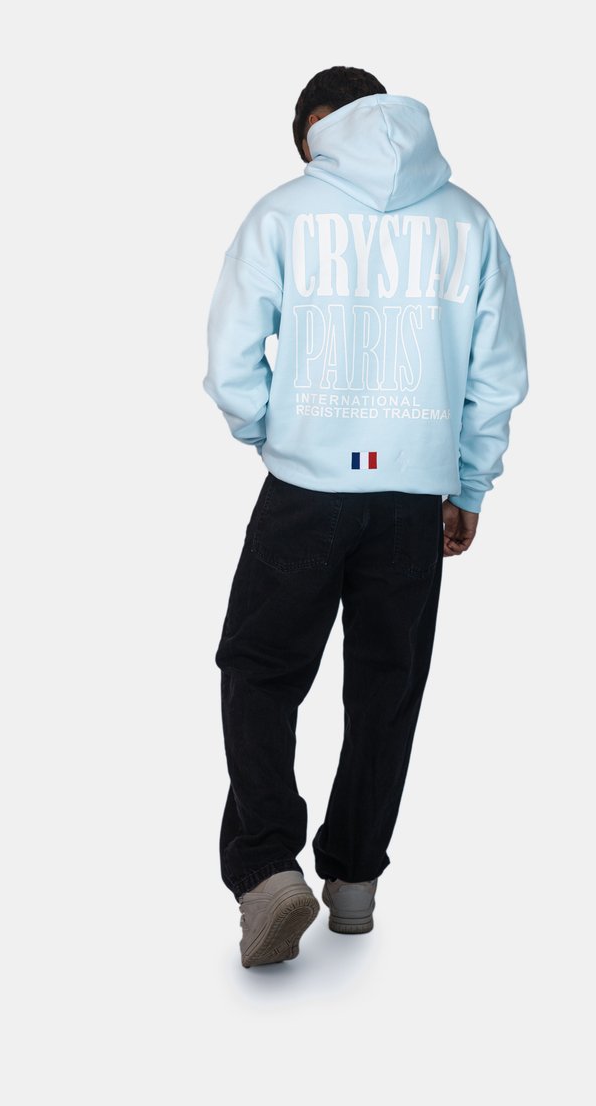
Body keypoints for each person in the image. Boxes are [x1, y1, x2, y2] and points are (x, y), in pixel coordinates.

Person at [204, 66, 528, 968]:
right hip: (411, 496)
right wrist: (468, 483)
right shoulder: (467, 222)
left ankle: (268, 870)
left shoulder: (283, 213)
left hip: (307, 491)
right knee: (387, 686)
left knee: (260, 673)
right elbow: (497, 372)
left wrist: (283, 437)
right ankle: (353, 882)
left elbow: (232, 363)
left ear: (314, 134)